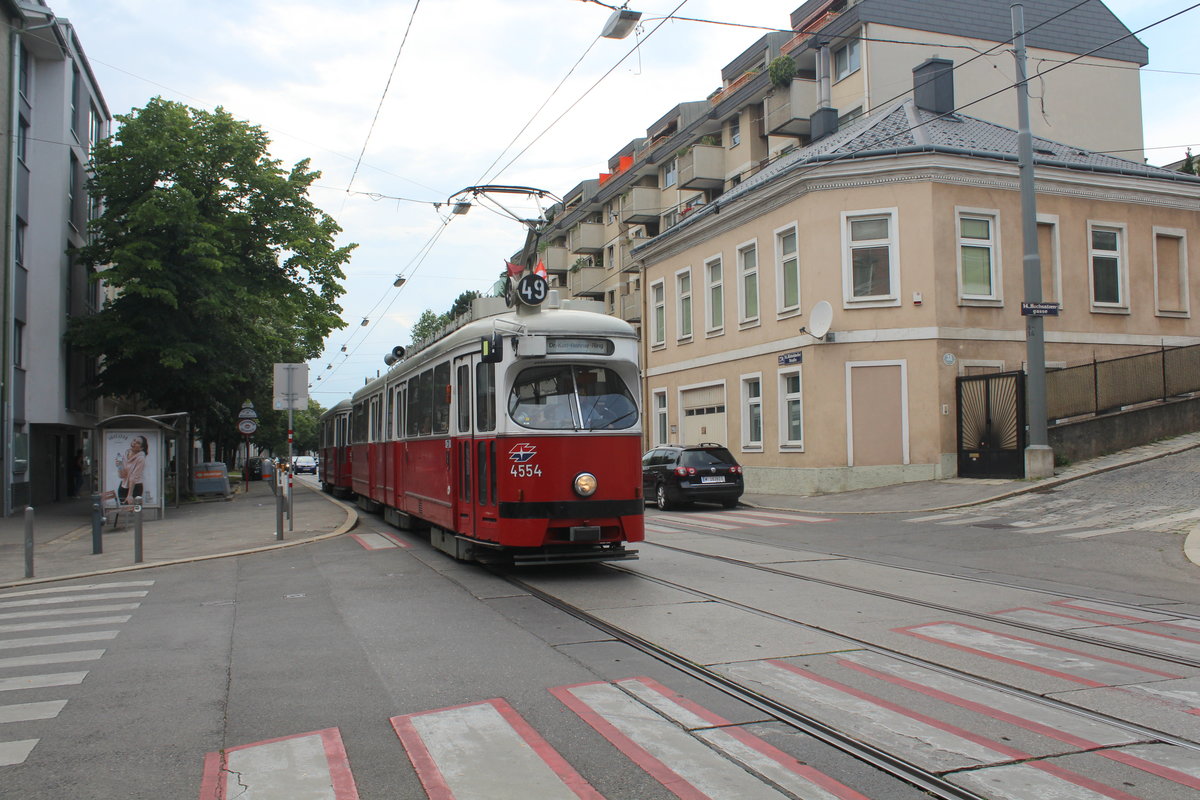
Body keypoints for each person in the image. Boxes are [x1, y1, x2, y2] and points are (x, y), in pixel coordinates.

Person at [116, 435, 148, 505]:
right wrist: (119, 466)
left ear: (141, 448)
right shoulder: (124, 454)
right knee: (125, 511)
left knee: (137, 511)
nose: (134, 443)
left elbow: (134, 476)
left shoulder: (141, 458)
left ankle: (138, 515)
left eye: (138, 443)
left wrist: (130, 495)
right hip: (123, 486)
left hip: (136, 487)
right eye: (134, 440)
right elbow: (122, 475)